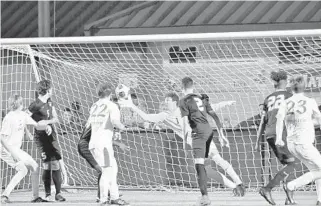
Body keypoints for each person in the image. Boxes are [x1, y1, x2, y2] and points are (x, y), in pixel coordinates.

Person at [119, 91, 245, 197]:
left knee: (217, 159)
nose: (165, 102)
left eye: (167, 100)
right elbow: (147, 117)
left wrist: (225, 103)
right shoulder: (165, 116)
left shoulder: (184, 109)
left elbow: (209, 108)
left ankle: (239, 183)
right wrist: (132, 106)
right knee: (208, 170)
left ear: (174, 101)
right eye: (165, 100)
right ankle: (235, 187)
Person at [179, 77, 245, 205]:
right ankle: (237, 184)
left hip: (197, 135)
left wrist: (184, 145)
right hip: (208, 132)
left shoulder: (183, 101)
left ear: (182, 87)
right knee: (212, 163)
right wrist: (221, 133)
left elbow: (185, 125)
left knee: (200, 166)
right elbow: (214, 114)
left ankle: (205, 197)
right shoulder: (200, 98)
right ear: (193, 86)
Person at [276, 75, 321, 205]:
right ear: (304, 87)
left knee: (317, 169)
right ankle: (291, 186)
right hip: (304, 144)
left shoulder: (285, 102)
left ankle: (319, 200)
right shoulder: (310, 101)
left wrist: (279, 138)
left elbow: (279, 119)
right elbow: (319, 119)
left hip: (291, 144)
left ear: (291, 88)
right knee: (318, 170)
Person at [256, 71, 296, 205]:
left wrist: (257, 142)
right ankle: (267, 189)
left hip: (269, 134)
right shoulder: (289, 96)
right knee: (291, 164)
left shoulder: (268, 98)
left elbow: (262, 121)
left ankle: (289, 199)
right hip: (282, 133)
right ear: (285, 81)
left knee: (287, 165)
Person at [86, 83, 129, 205]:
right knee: (106, 171)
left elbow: (90, 124)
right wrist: (123, 127)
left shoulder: (94, 105)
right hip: (103, 144)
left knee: (113, 168)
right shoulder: (112, 105)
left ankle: (114, 197)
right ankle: (103, 199)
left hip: (96, 142)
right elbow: (115, 122)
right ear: (111, 94)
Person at [0, 94, 48, 203]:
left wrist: (47, 126)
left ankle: (34, 197)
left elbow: (37, 125)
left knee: (32, 167)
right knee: (24, 169)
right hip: (6, 149)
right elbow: (2, 138)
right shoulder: (9, 118)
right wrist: (13, 154)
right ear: (20, 104)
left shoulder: (23, 115)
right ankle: (5, 196)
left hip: (15, 149)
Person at [27, 80, 66, 202]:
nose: (52, 91)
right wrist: (28, 132)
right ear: (48, 90)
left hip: (51, 136)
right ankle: (48, 194)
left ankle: (58, 194)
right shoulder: (35, 105)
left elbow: (55, 119)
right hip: (41, 138)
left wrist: (47, 122)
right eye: (52, 89)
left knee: (55, 164)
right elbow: (23, 118)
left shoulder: (50, 102)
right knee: (46, 165)